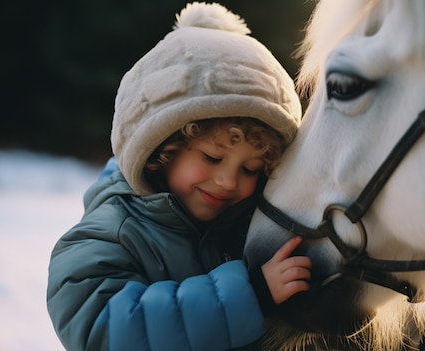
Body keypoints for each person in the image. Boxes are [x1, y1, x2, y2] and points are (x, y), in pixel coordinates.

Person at [46, 3, 310, 350]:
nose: (228, 182)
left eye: (250, 169)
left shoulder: (249, 224)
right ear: (162, 148)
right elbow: (102, 328)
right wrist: (251, 294)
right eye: (211, 157)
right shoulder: (113, 233)